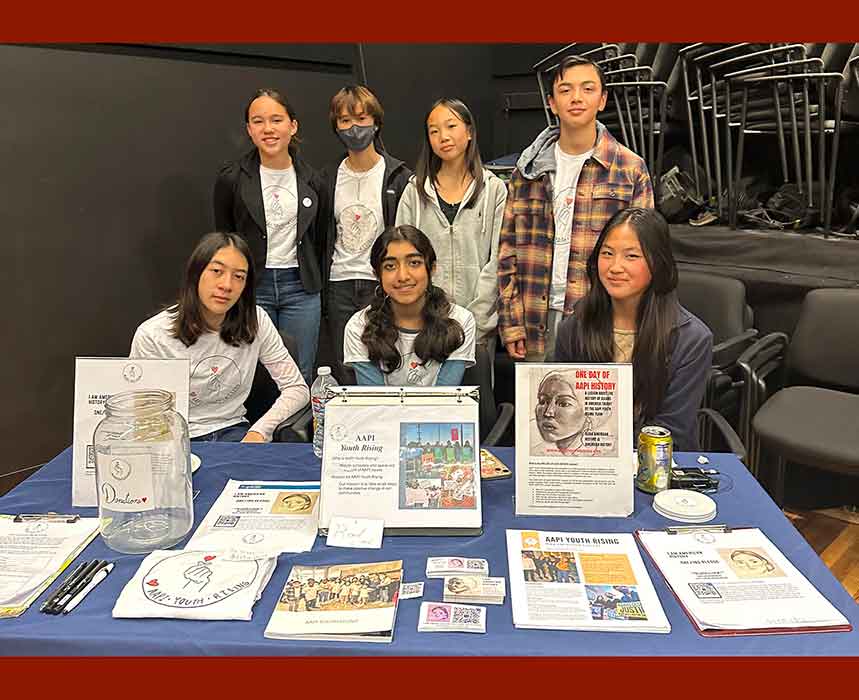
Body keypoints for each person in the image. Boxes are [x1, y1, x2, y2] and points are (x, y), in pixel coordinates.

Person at [497, 55, 655, 362]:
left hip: (602, 321)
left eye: (587, 88)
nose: (576, 98)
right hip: (534, 321)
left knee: (600, 409)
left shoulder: (629, 169)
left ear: (602, 99)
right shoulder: (527, 171)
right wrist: (511, 320)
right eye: (566, 90)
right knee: (541, 408)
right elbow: (507, 251)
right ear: (552, 103)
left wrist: (628, 323)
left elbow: (645, 256)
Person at [554, 208, 713, 452]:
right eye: (607, 253)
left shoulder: (692, 340)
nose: (615, 267)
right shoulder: (573, 329)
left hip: (659, 466)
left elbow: (674, 430)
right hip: (588, 463)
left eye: (631, 256)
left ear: (657, 263)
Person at [130, 232, 309, 442]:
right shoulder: (153, 335)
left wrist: (260, 431)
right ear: (196, 274)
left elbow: (297, 388)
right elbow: (142, 411)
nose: (226, 285)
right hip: (177, 438)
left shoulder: (256, 320)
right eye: (217, 271)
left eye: (239, 277)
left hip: (233, 432)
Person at [213, 88, 324, 385]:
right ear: (249, 130)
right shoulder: (232, 178)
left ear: (293, 125)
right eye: (258, 121)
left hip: (301, 289)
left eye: (276, 120)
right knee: (253, 374)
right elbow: (223, 240)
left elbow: (321, 239)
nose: (268, 129)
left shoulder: (314, 180)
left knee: (298, 374)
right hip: (252, 288)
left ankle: (294, 433)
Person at [396, 98, 507, 359]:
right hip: (424, 324)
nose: (443, 137)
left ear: (469, 132)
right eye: (434, 131)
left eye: (451, 126)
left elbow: (498, 260)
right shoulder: (415, 191)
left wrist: (476, 320)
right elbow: (402, 256)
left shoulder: (493, 190)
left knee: (476, 396)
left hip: (479, 327)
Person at [321, 85, 412, 384]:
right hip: (340, 285)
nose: (354, 128)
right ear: (335, 126)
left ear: (376, 121)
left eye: (361, 118)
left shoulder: (399, 176)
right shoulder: (327, 177)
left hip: (381, 284)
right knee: (347, 367)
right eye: (345, 121)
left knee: (387, 360)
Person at [343, 225, 476, 386]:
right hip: (382, 411)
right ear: (377, 275)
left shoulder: (460, 321)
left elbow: (444, 400)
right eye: (390, 266)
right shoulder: (359, 327)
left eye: (414, 263)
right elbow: (374, 403)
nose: (403, 276)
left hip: (441, 410)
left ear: (432, 268)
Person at [532, 371, 602, 455]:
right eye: (543, 401)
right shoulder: (535, 452)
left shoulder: (606, 453)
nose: (548, 413)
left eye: (564, 404)